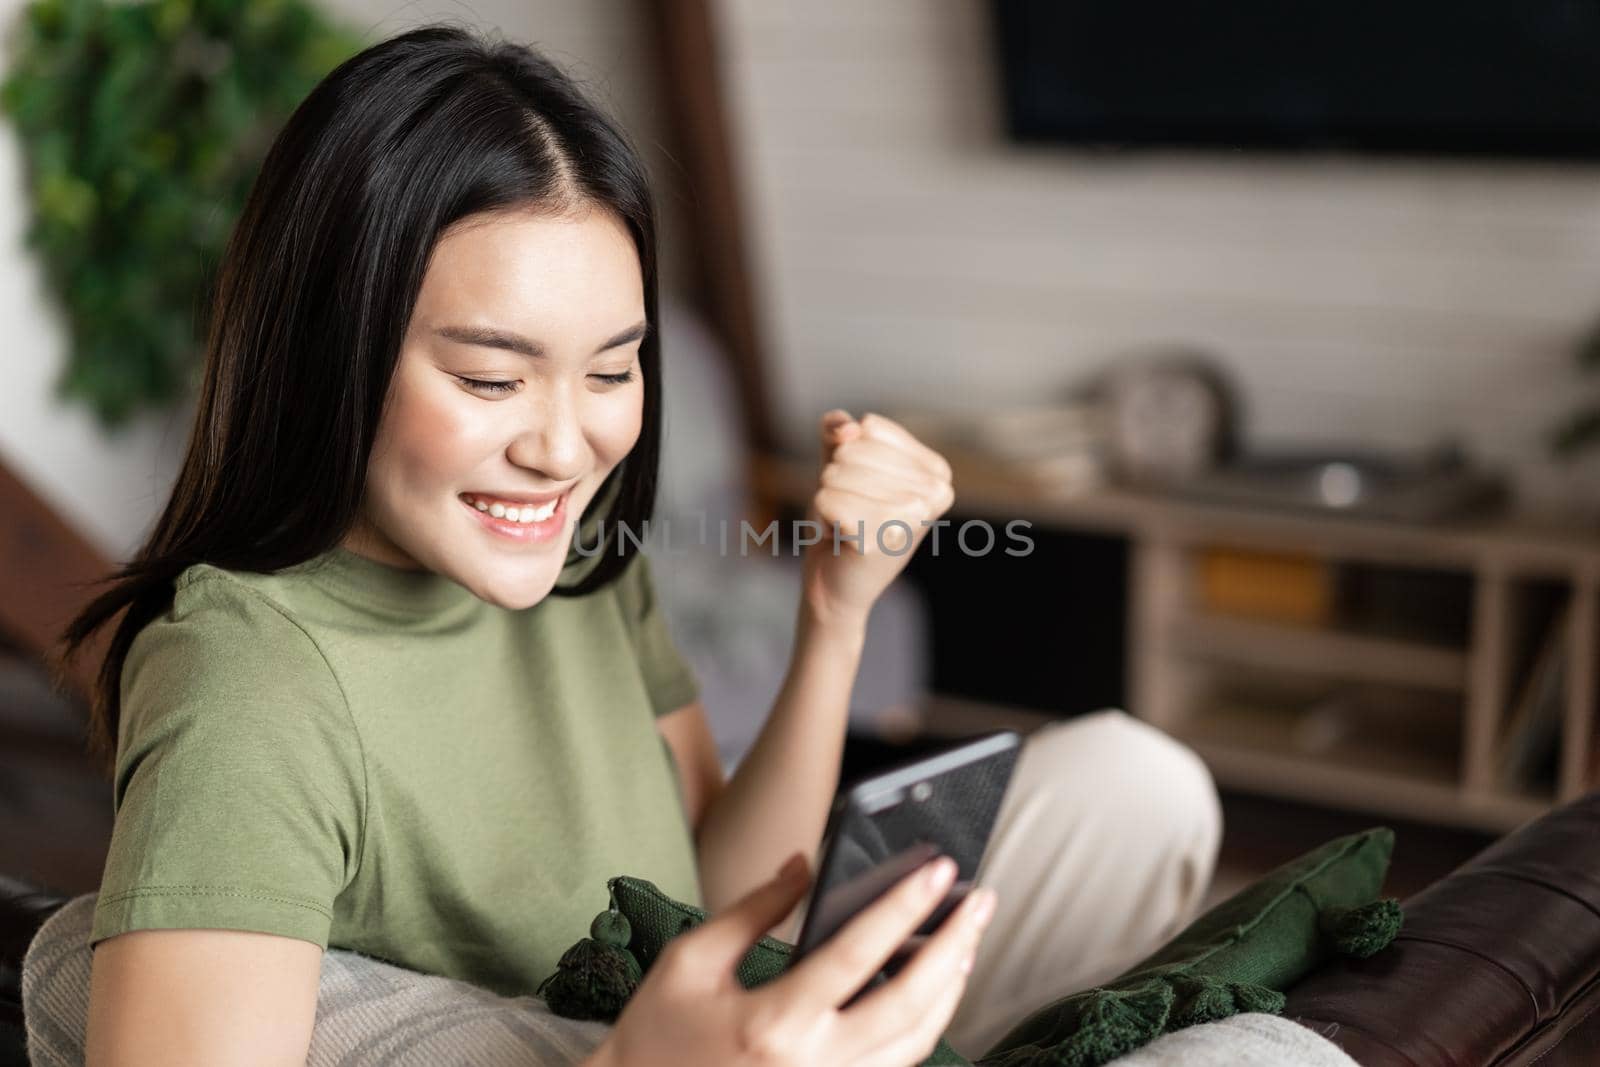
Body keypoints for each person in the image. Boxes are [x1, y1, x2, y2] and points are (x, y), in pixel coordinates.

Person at [56, 26, 1221, 1067]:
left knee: (1138, 782)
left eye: (613, 368)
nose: (567, 446)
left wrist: (835, 610)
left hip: (732, 1014)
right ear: (327, 348)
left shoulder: (579, 559)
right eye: (491, 376)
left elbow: (727, 898)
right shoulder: (248, 678)